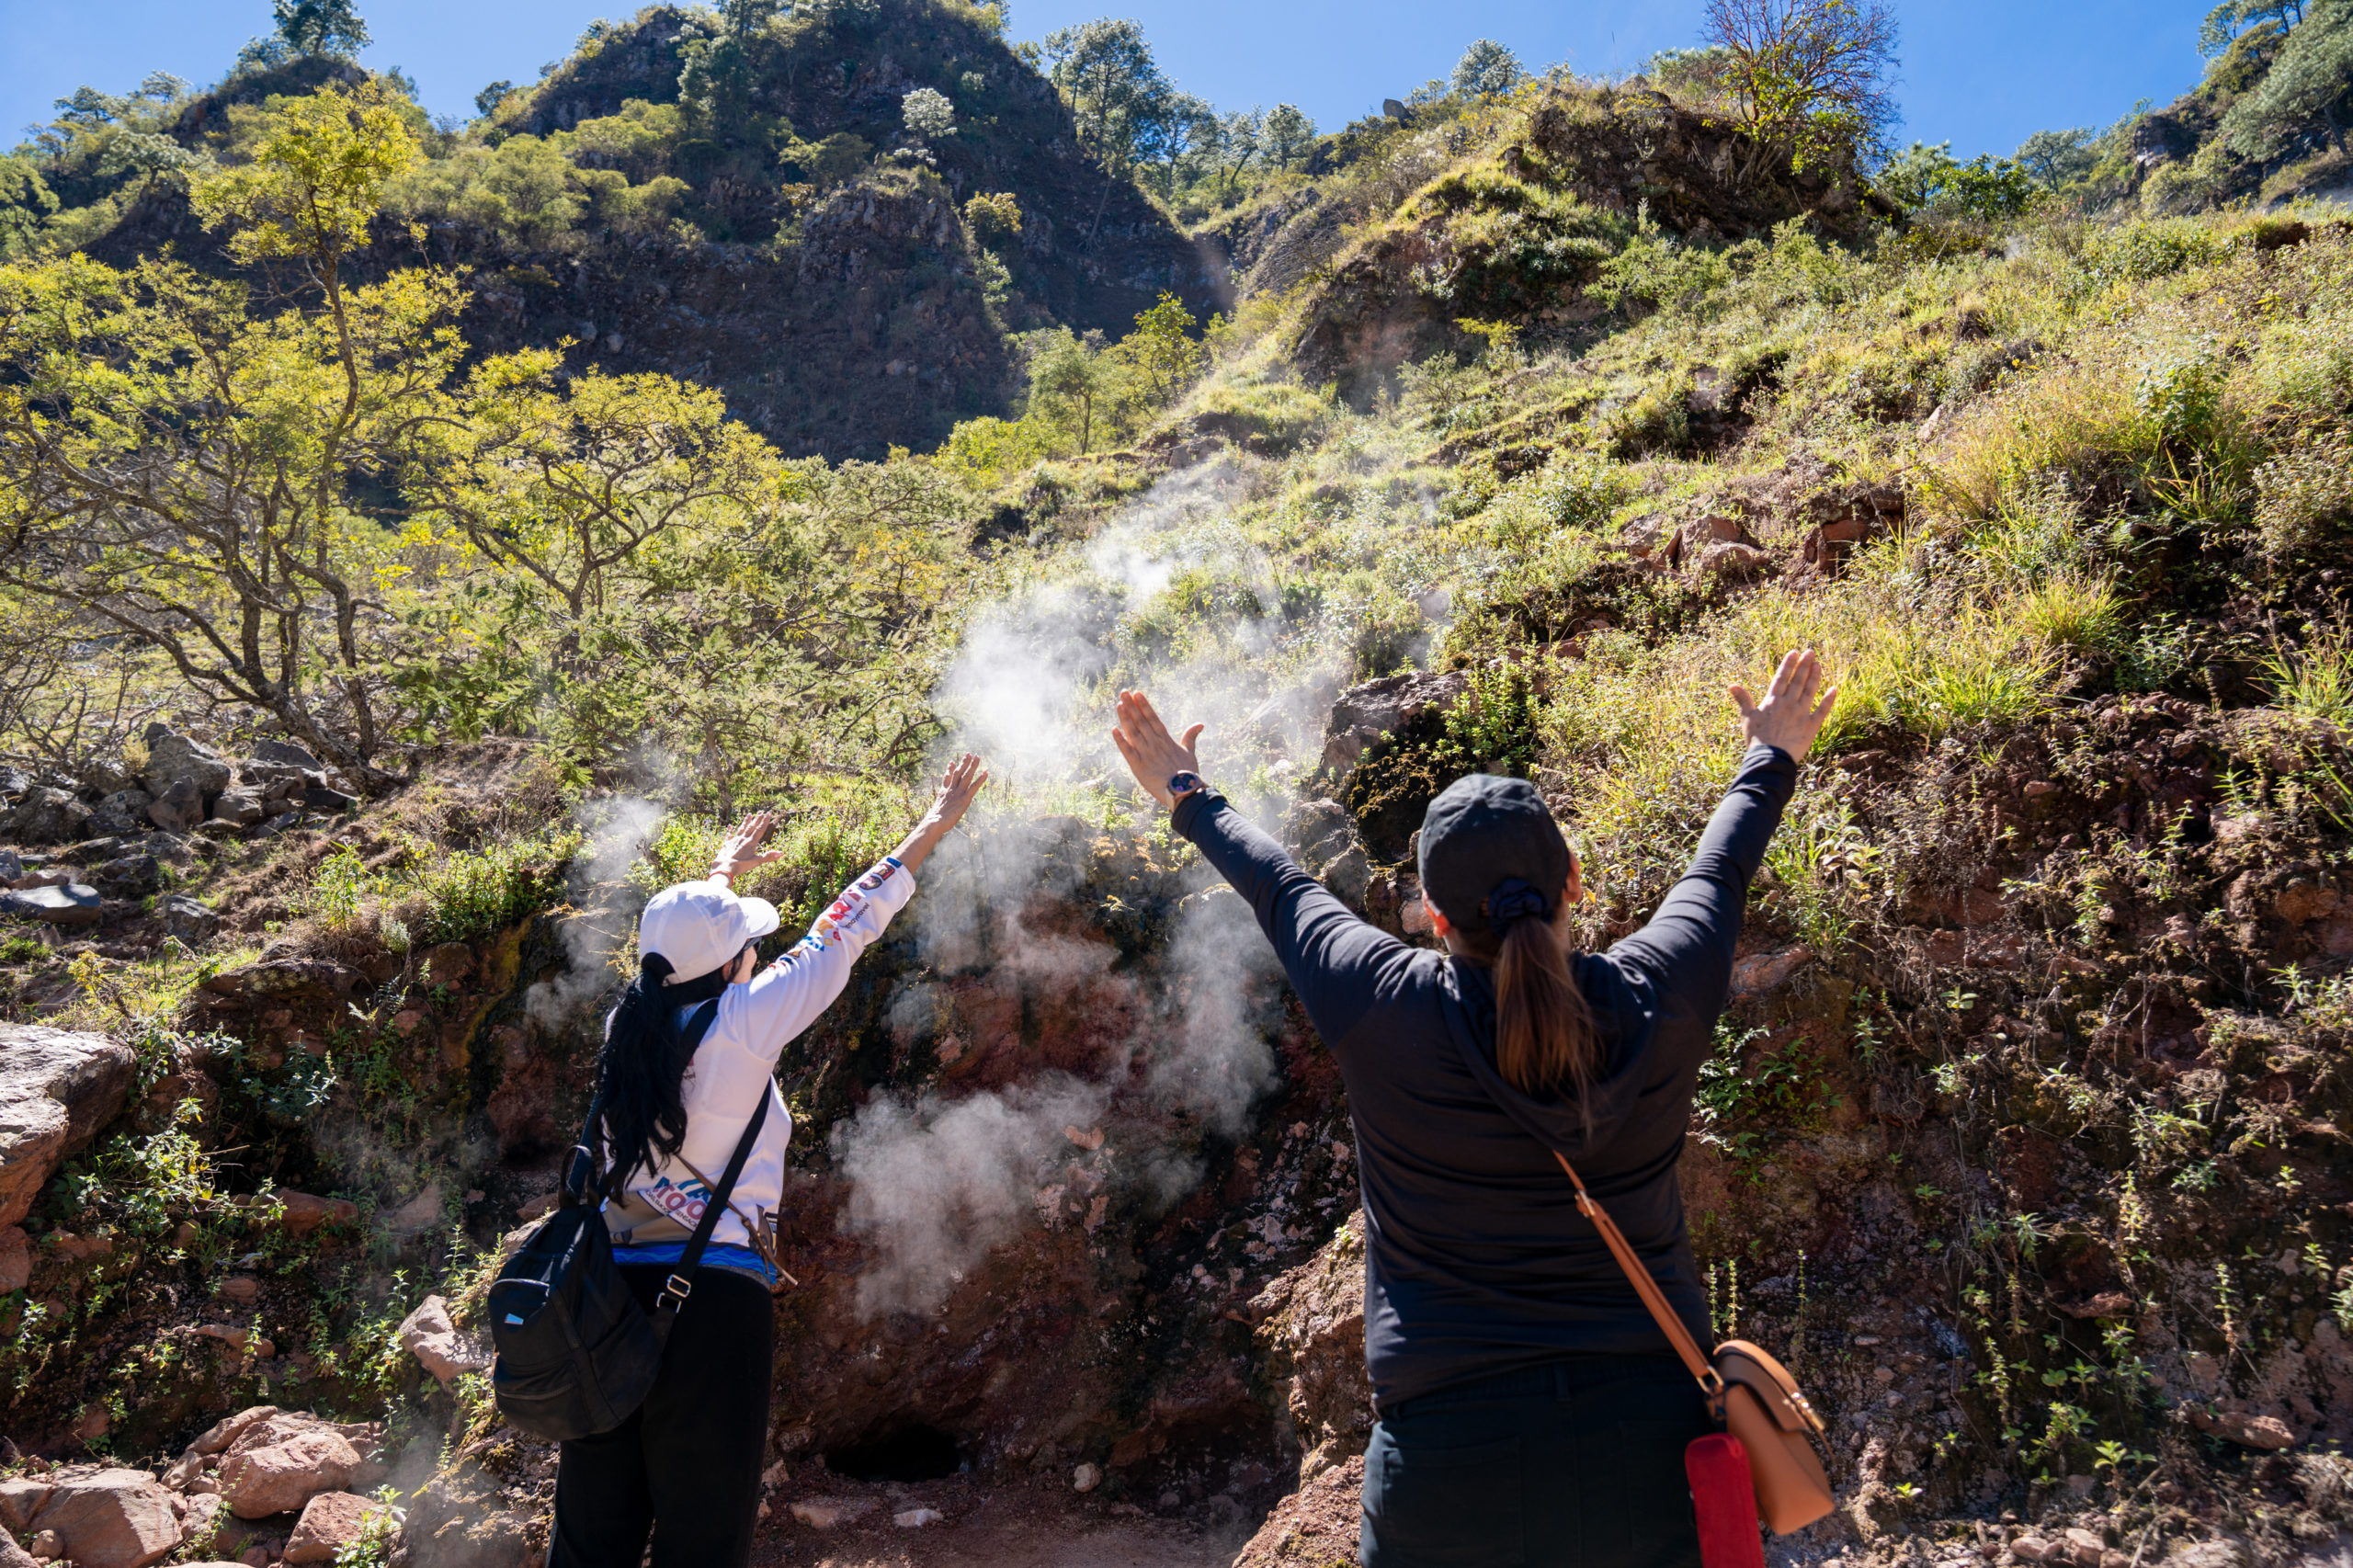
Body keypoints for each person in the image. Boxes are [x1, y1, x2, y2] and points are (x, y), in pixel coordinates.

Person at [1110, 652, 1838, 1568]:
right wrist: (1770, 751)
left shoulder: (1383, 1002)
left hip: (1447, 1471)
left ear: (1432, 916)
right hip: (1651, 1461)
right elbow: (1717, 873)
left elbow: (1281, 885)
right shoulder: (1660, 995)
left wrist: (1186, 787)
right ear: (1572, 879)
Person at [547, 754, 988, 1568]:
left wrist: (719, 876)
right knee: (702, 1533)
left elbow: (673, 960)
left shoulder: (624, 1028)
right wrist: (930, 829)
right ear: (729, 964)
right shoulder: (746, 1020)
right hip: (709, 1301)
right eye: (744, 943)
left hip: (603, 1297)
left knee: (592, 1532)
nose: (753, 953)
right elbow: (842, 928)